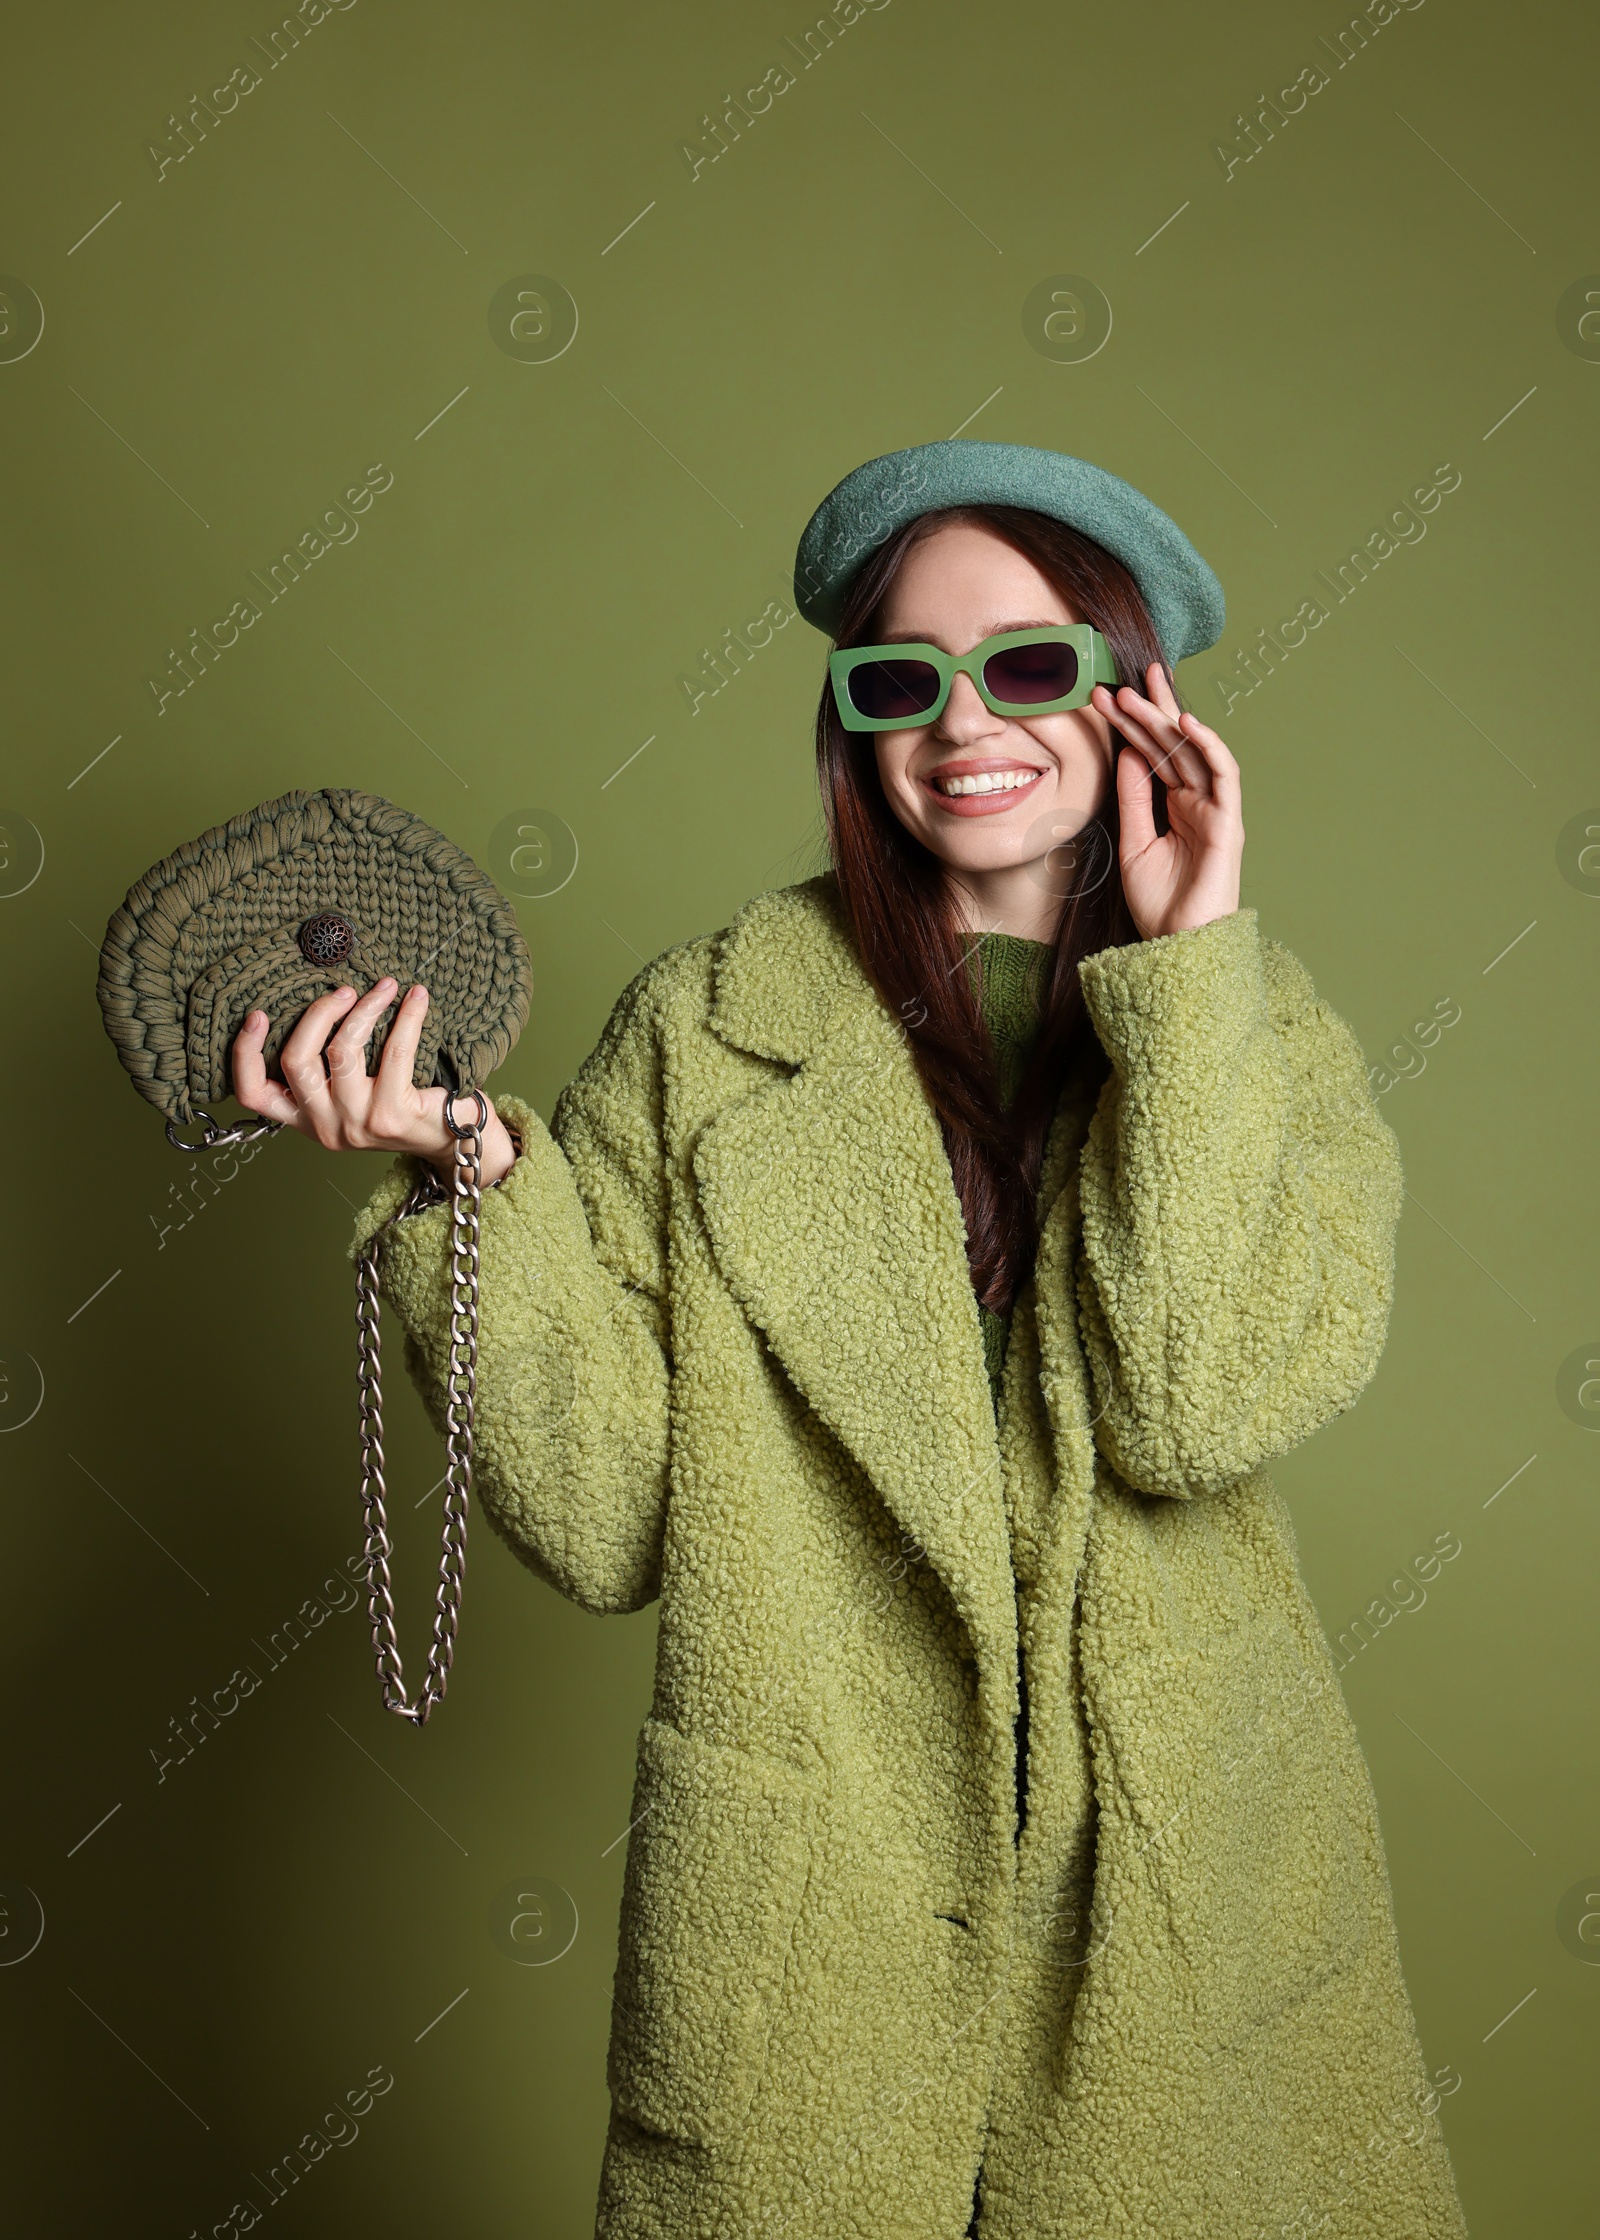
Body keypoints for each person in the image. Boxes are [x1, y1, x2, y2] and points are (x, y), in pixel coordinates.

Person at [231, 442, 1468, 2239]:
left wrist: (1188, 983)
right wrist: (469, 1175)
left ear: (1137, 699)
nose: (965, 721)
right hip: (812, 1929)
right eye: (901, 677)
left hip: (1178, 1915)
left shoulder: (1260, 1038)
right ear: (851, 725)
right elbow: (610, 1519)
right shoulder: (707, 1030)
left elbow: (1197, 1405)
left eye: (1030, 664)